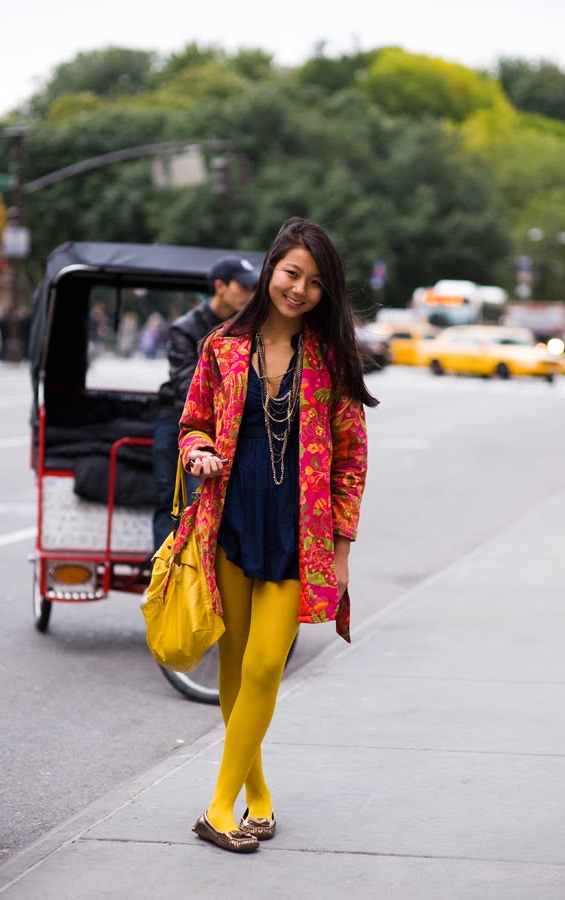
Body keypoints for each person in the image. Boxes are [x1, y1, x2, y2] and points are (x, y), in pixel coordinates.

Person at [175, 217, 378, 853]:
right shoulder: (222, 347)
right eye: (293, 273)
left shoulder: (330, 359)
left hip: (301, 531)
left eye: (316, 282)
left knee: (266, 664)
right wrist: (200, 453)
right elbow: (192, 425)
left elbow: (350, 460)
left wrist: (342, 551)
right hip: (232, 521)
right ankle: (255, 795)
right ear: (269, 270)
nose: (300, 289)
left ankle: (216, 807)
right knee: (236, 666)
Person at [152, 256, 259, 550]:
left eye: (254, 288)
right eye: (244, 286)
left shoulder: (249, 327)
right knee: (167, 496)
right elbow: (189, 385)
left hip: (227, 423)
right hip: (181, 417)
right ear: (220, 286)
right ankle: (164, 576)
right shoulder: (186, 328)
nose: (250, 294)